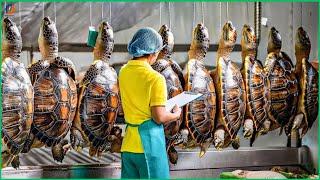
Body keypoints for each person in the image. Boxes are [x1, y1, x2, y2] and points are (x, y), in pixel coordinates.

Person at [119, 27, 182, 179]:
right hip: (149, 146)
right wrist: (175, 115)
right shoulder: (155, 78)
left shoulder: (123, 72)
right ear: (153, 53)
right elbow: (158, 117)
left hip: (128, 146)